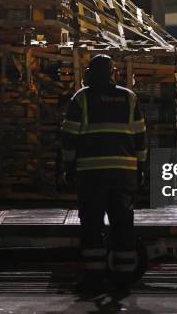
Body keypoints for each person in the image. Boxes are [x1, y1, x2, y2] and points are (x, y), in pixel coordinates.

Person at [60, 54, 147, 293]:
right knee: (123, 227)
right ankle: (124, 280)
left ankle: (94, 278)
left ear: (90, 73)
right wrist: (141, 168)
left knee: (92, 227)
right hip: (123, 175)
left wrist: (68, 167)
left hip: (91, 176)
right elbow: (140, 138)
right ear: (113, 73)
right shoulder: (129, 98)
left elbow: (69, 138)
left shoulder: (82, 98)